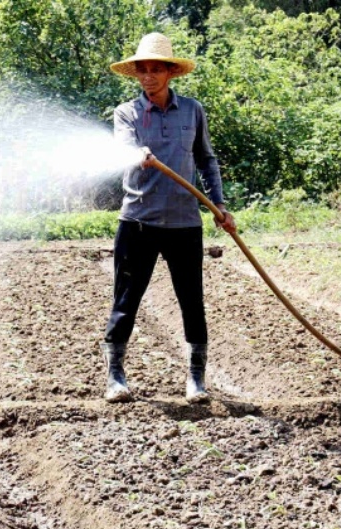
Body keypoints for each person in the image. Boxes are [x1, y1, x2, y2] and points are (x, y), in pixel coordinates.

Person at [102, 32, 237, 404]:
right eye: (142, 70)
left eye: (155, 69)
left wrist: (219, 205)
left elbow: (206, 159)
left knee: (192, 301)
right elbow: (123, 148)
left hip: (184, 223)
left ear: (170, 72)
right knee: (126, 300)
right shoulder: (126, 113)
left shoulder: (192, 110)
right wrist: (137, 153)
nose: (148, 76)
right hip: (138, 221)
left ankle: (196, 380)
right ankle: (115, 376)